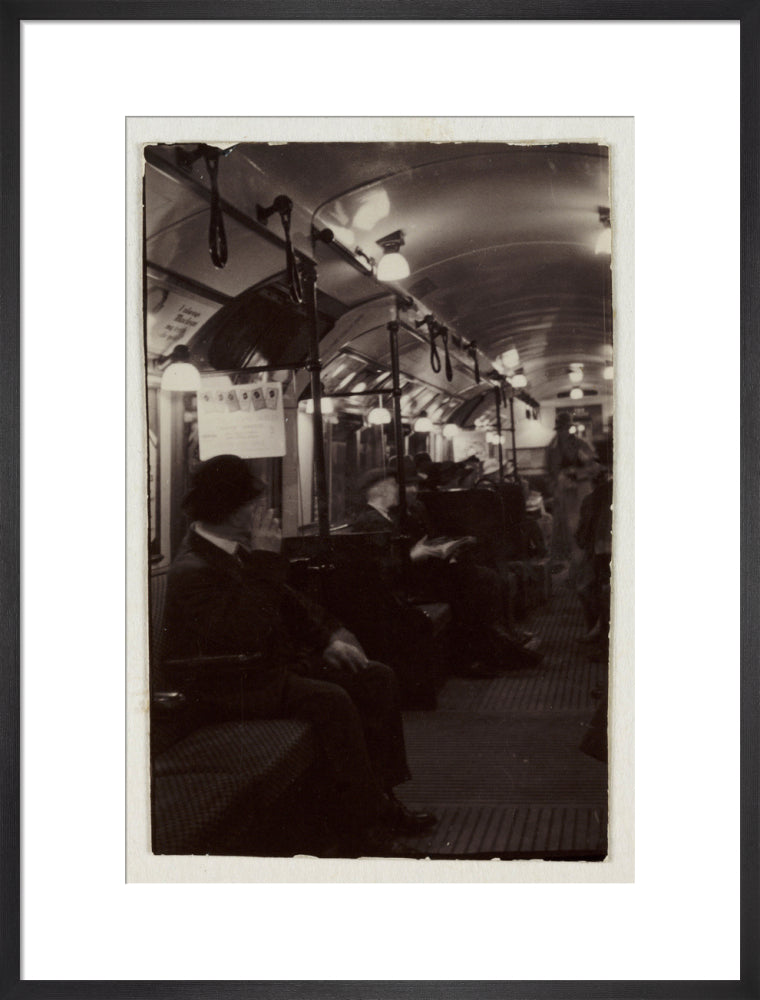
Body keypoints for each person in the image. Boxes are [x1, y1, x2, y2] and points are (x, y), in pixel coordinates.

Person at [162, 454, 436, 854]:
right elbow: (245, 633)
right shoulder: (194, 568)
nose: (264, 512)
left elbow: (289, 604)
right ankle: (361, 826)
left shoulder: (232, 550)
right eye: (254, 504)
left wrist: (327, 641)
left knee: (375, 677)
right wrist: (265, 559)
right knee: (331, 700)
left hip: (264, 670)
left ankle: (383, 798)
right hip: (229, 684)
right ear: (231, 511)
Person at [350, 463, 542, 673]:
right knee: (471, 582)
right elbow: (382, 567)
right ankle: (481, 653)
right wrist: (413, 556)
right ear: (380, 490)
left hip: (414, 577)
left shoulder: (388, 516)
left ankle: (492, 647)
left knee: (474, 577)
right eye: (394, 485)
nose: (399, 490)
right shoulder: (371, 522)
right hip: (404, 587)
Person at [546, 411, 600, 565]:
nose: (563, 432)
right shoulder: (552, 448)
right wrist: (555, 487)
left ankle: (584, 561)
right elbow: (549, 473)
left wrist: (577, 473)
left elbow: (595, 467)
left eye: (565, 428)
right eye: (560, 429)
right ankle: (568, 564)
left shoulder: (582, 444)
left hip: (581, 491)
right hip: (563, 494)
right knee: (563, 529)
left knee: (580, 525)